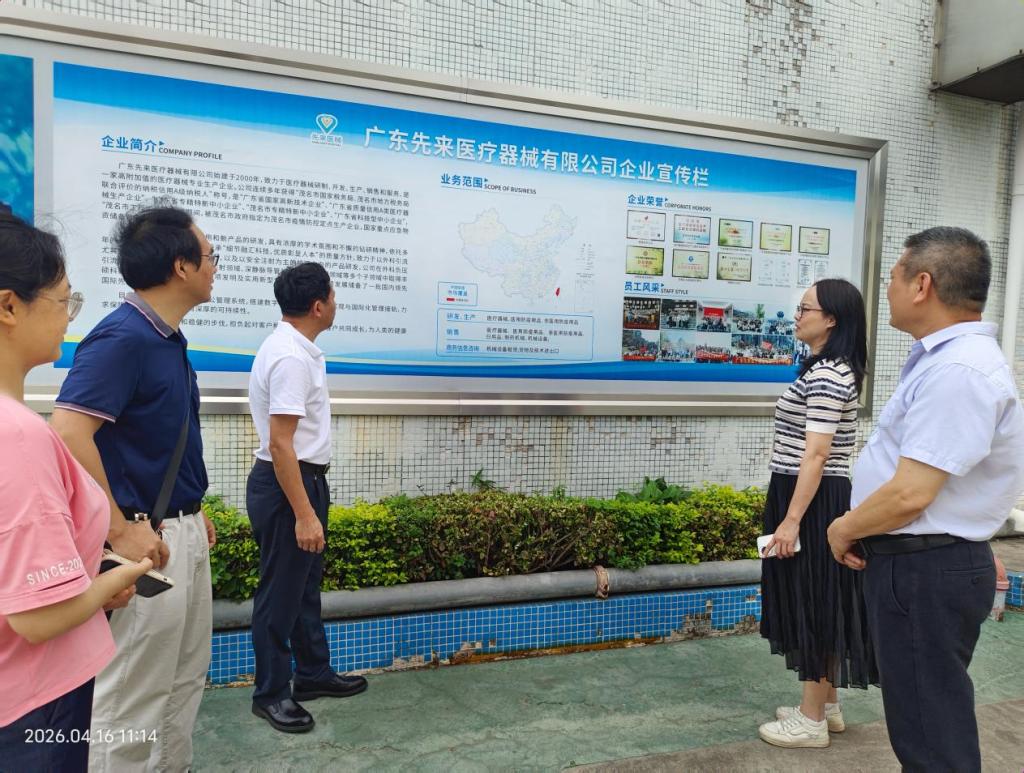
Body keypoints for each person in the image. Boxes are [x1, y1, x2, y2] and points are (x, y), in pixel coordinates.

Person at [827, 227, 1024, 771]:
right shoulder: (946, 359)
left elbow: (912, 493)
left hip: (926, 569)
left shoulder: (958, 371)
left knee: (930, 734)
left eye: (892, 277)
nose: (886, 289)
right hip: (922, 564)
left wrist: (844, 528)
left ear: (922, 285)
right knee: (924, 720)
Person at [50, 206, 218, 772]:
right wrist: (120, 528)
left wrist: (192, 508)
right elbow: (69, 431)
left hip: (175, 530)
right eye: (210, 255)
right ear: (180, 266)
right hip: (143, 543)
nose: (215, 267)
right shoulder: (122, 337)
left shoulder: (165, 339)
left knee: (182, 681)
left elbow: (155, 439)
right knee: (131, 696)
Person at [0, 212, 151, 771]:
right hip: (34, 702)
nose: (69, 316)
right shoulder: (18, 436)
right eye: (64, 300)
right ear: (9, 306)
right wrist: (119, 577)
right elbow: (38, 618)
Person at [247, 262, 367, 734]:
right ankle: (271, 694)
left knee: (304, 587)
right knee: (279, 595)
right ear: (319, 306)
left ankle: (313, 673)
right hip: (288, 486)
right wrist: (304, 513)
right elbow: (281, 444)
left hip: (303, 481)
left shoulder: (297, 349)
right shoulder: (291, 358)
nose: (336, 302)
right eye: (333, 295)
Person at [756, 278, 877, 749]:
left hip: (812, 497)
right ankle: (825, 705)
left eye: (805, 309)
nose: (797, 316)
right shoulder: (829, 368)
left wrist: (790, 521)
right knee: (820, 594)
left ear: (831, 319)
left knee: (812, 599)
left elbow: (817, 454)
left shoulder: (828, 375)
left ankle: (810, 722)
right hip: (811, 493)